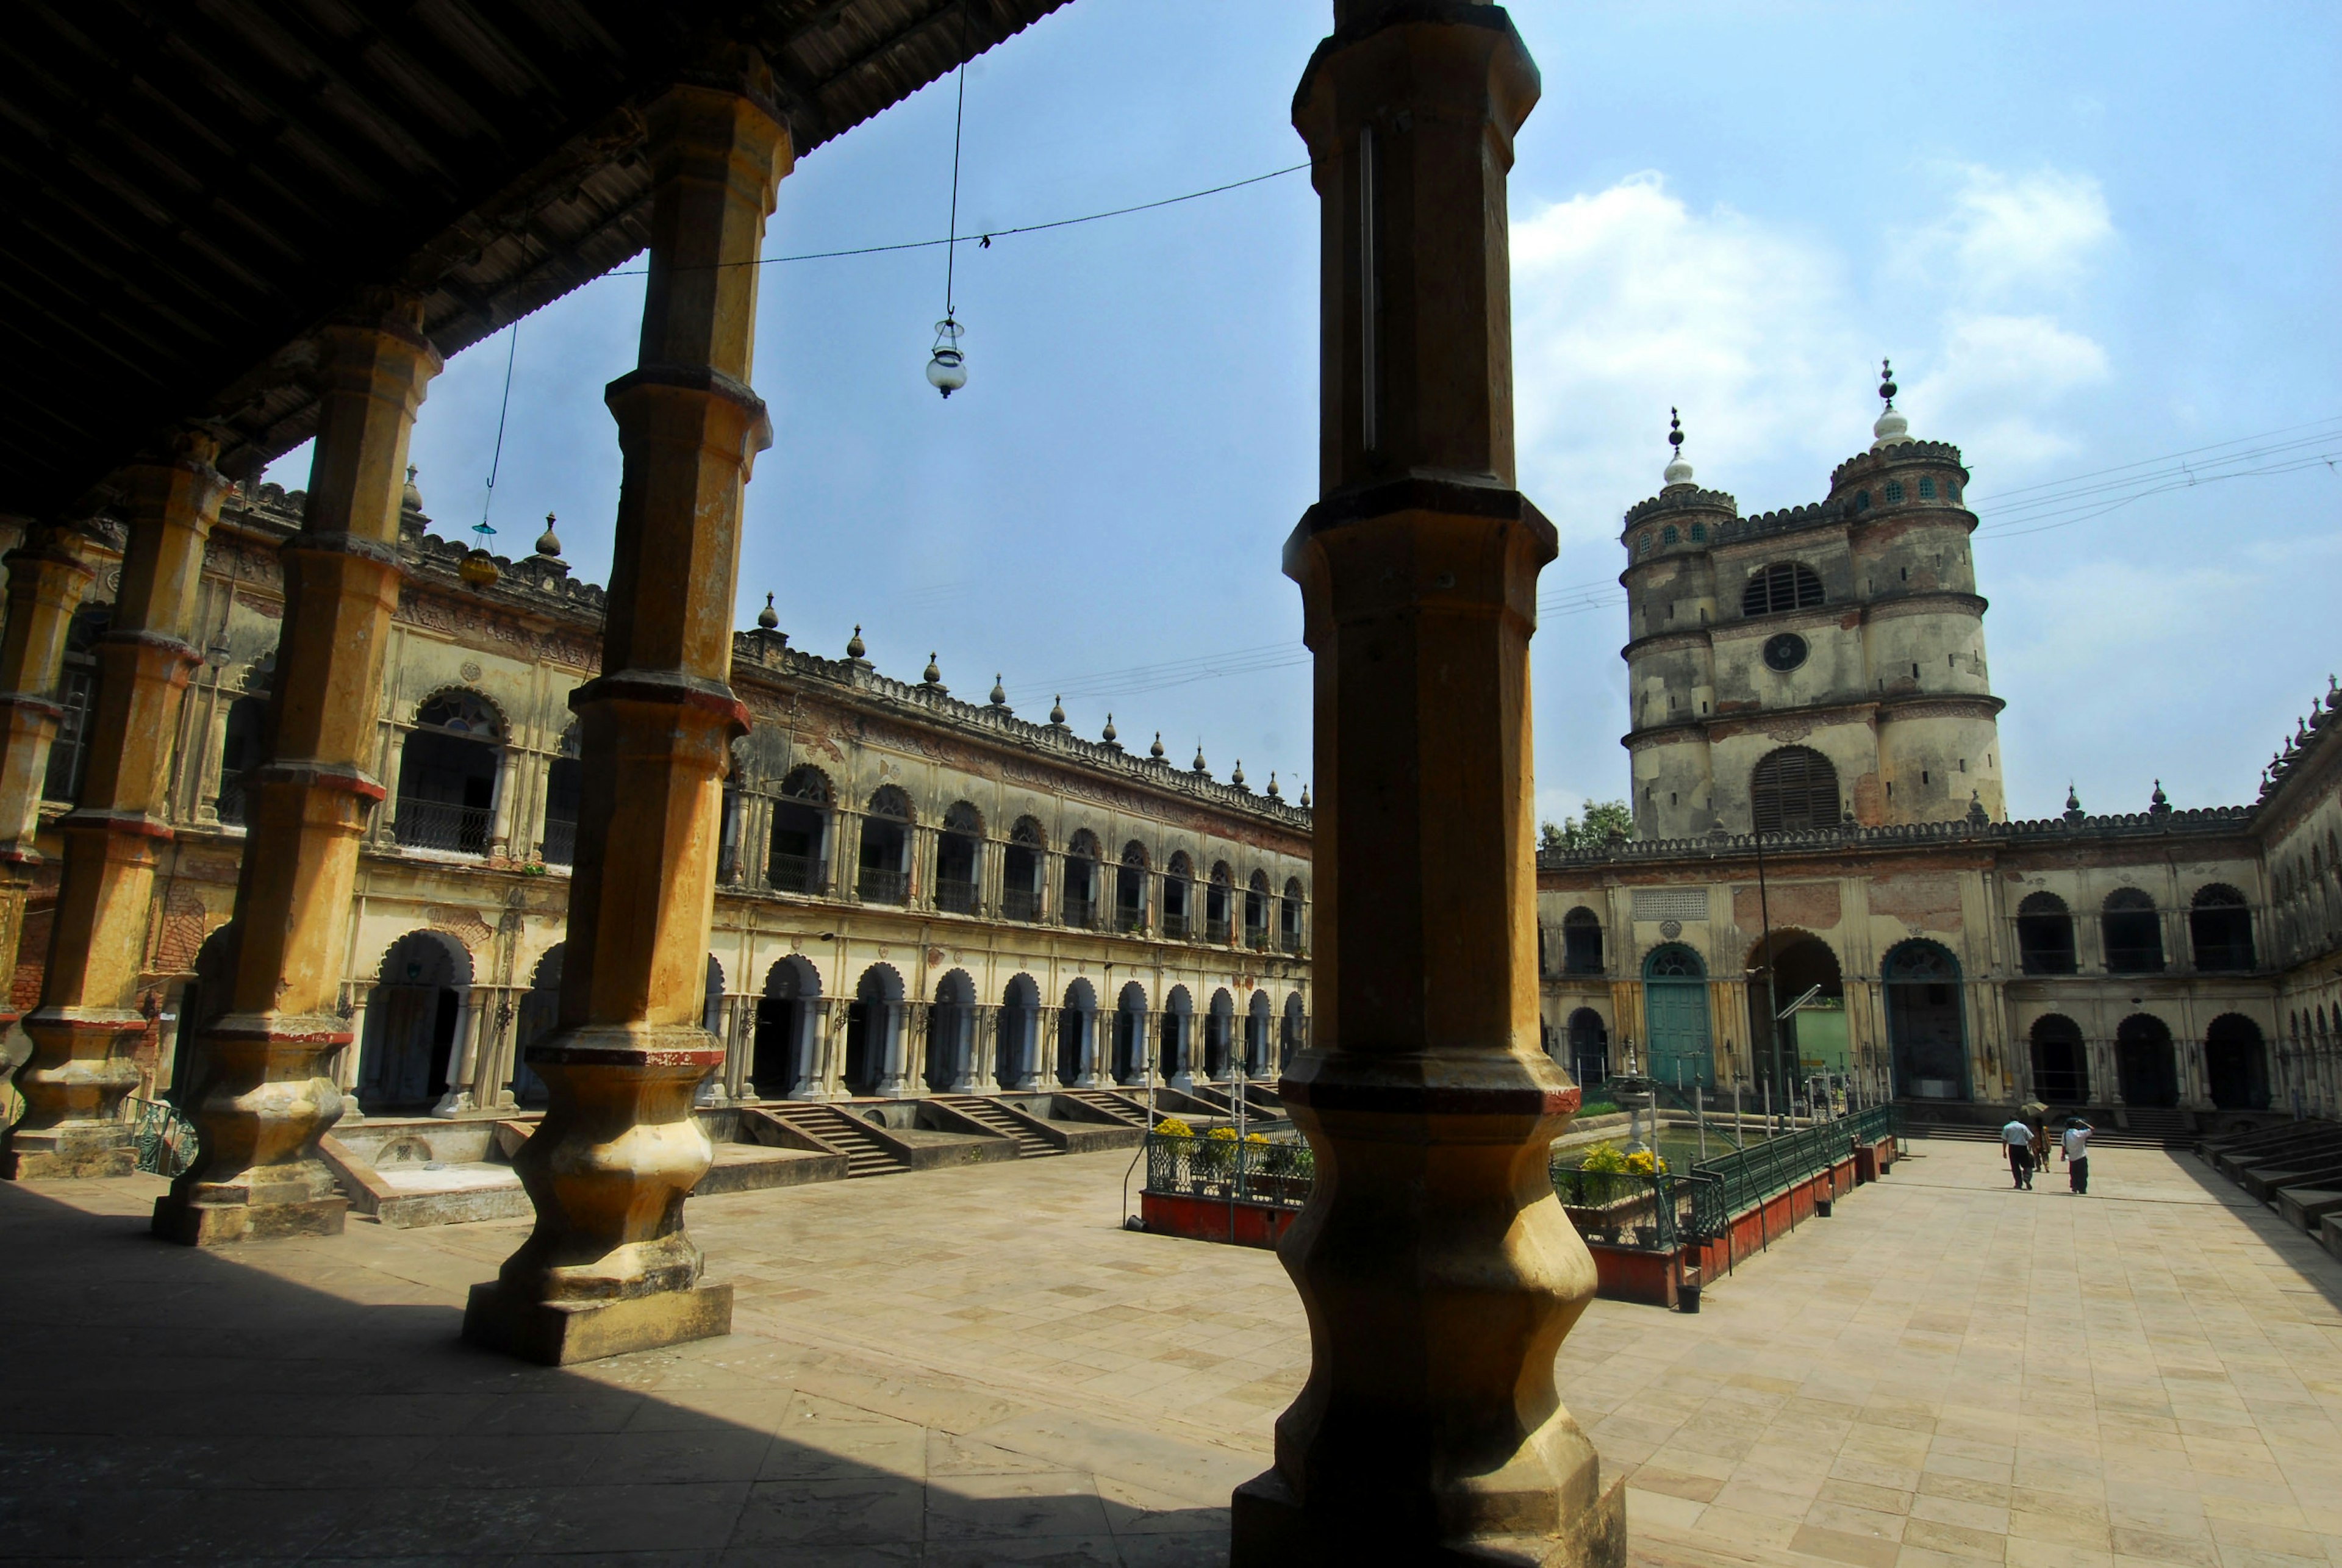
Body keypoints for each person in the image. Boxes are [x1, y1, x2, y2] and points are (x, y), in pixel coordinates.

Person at [1999, 1115, 2035, 1189]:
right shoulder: (2023, 1127)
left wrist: (2004, 1151)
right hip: (2023, 1147)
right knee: (2027, 1164)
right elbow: (2030, 1138)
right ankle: (2027, 1177)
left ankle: (2018, 1183)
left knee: (2015, 1166)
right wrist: (2030, 1148)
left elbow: (2004, 1140)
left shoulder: (2007, 1127)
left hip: (2012, 1148)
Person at [2061, 1118, 2092, 1195]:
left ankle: (2074, 1186)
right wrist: (2084, 1123)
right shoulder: (2080, 1134)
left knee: (2074, 1173)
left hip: (2072, 1157)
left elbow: (2064, 1145)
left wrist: (2063, 1155)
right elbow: (2092, 1129)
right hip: (2081, 1156)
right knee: (2083, 1174)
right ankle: (2082, 1189)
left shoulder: (2065, 1134)